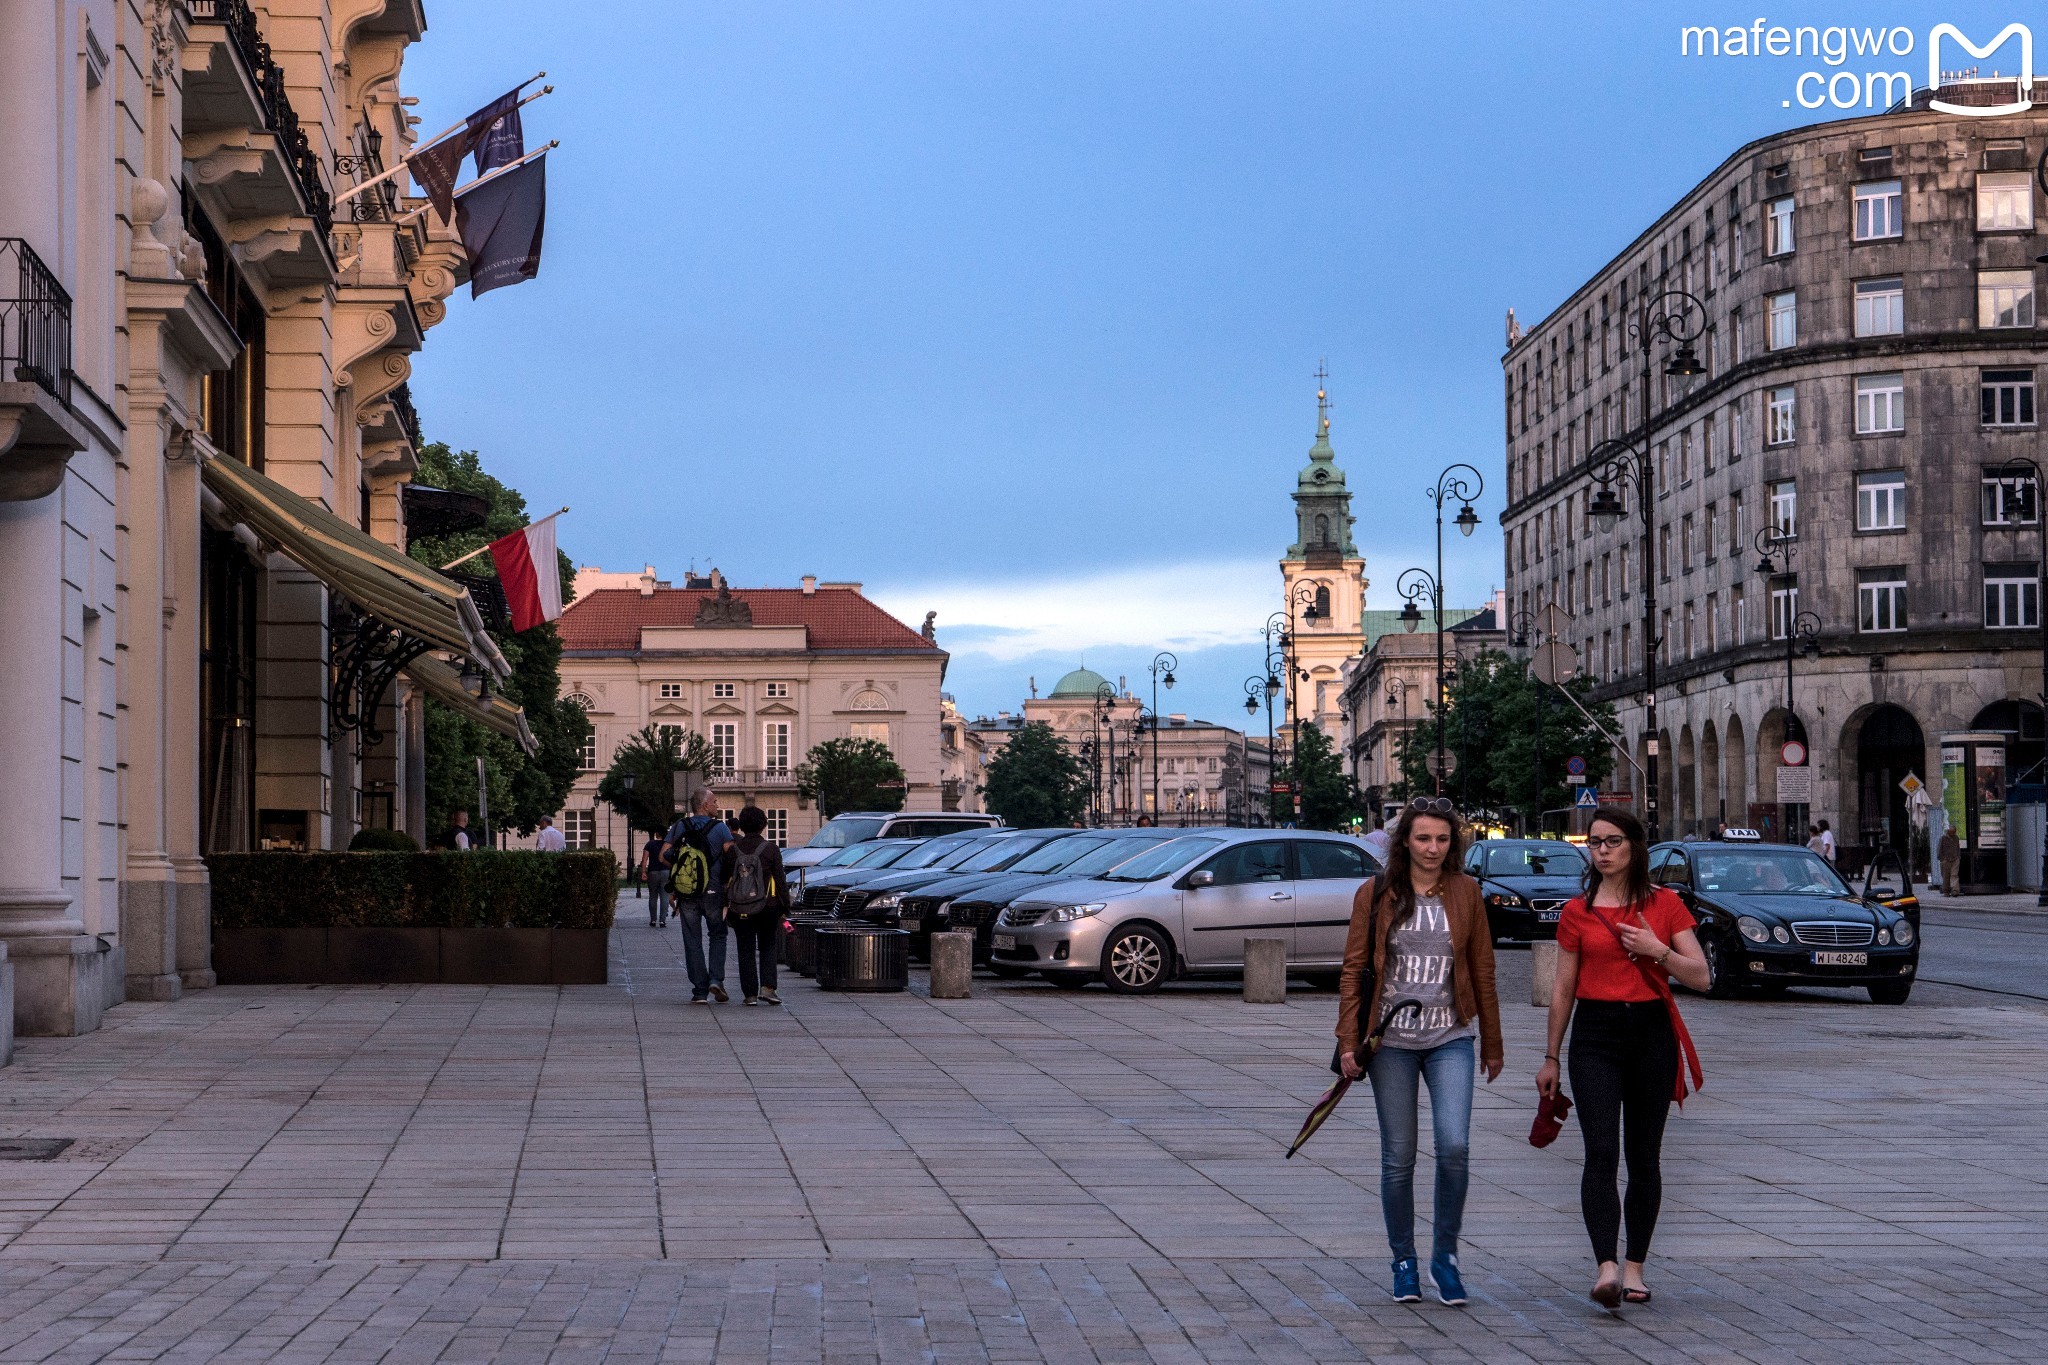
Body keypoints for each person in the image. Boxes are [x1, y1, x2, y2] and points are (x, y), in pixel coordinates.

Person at [1536, 808, 1710, 1310]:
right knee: (1600, 1154)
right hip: (1595, 1035)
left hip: (1651, 1034)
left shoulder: (1666, 905)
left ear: (1635, 846)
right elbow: (1563, 988)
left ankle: (1635, 1267)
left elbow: (1701, 976)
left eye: (1612, 841)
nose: (1602, 850)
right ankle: (1605, 1267)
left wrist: (1658, 950)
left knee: (1644, 1157)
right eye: (1595, 843)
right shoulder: (1578, 912)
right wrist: (1550, 1057)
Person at [1335, 795, 1503, 1307]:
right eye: (1423, 838)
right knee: (1398, 1157)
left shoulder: (1466, 892)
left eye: (1442, 839)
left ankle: (1445, 1258)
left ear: (1454, 844)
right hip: (1390, 1043)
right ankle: (1403, 1260)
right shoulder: (1376, 893)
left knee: (1454, 1146)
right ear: (1404, 841)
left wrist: (1492, 1043)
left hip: (1450, 1036)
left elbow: (1483, 969)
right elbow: (1352, 971)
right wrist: (1348, 1042)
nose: (1433, 848)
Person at [662, 790, 733, 1004]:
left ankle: (700, 991)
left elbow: (663, 854)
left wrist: (681, 872)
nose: (717, 805)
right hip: (713, 891)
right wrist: (725, 882)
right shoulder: (720, 829)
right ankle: (715, 980)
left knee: (692, 939)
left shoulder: (680, 826)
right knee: (718, 935)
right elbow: (731, 857)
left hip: (687, 893)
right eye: (714, 802)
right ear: (703, 805)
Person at [720, 805, 790, 1005]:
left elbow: (726, 878)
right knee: (768, 945)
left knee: (745, 948)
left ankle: (749, 994)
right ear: (763, 825)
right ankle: (768, 989)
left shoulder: (734, 850)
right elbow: (780, 879)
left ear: (741, 825)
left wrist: (725, 903)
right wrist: (785, 907)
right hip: (768, 906)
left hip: (741, 906)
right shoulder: (771, 849)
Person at [642, 829, 671, 928]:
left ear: (656, 833)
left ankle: (653, 920)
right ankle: (662, 921)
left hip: (653, 872)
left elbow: (644, 859)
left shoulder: (650, 844)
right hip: (666, 871)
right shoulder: (668, 844)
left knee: (653, 896)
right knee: (665, 896)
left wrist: (643, 872)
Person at [1939, 824, 1961, 893]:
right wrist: (1942, 859)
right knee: (1946, 876)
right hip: (1946, 860)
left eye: (1954, 832)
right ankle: (1946, 891)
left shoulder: (1956, 838)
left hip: (1955, 859)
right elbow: (1939, 849)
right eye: (1951, 832)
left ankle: (1955, 890)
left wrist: (1958, 857)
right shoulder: (1943, 838)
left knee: (1954, 875)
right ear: (1948, 831)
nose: (1953, 833)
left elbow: (1958, 848)